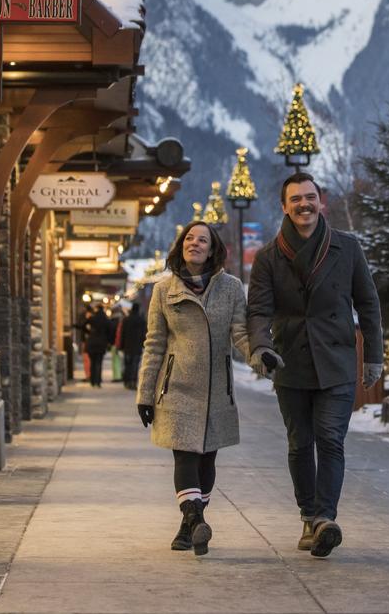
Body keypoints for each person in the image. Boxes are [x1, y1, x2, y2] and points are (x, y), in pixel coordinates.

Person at [247, 172, 383, 558]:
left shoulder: (347, 248)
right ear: (284, 206)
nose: (304, 205)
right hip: (290, 362)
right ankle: (309, 515)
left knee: (330, 439)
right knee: (299, 443)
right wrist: (261, 348)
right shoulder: (268, 257)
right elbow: (258, 311)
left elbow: (368, 304)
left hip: (337, 361)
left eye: (311, 198)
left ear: (321, 201)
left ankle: (324, 518)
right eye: (296, 200)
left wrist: (373, 355)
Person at [136, 221, 250, 556]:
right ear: (180, 245)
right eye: (189, 238)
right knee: (184, 455)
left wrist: (261, 356)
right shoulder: (164, 290)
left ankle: (190, 528)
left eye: (203, 239)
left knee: (206, 460)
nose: (195, 243)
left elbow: (241, 334)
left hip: (217, 389)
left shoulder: (230, 288)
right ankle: (194, 517)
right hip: (177, 388)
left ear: (213, 249)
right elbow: (154, 344)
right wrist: (145, 394)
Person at [118, 302, 147, 389]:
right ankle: (133, 382)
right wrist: (143, 344)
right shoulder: (141, 321)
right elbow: (144, 334)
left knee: (127, 365)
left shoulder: (126, 320)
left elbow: (122, 333)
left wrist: (121, 345)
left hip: (127, 347)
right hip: (137, 347)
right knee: (135, 366)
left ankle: (126, 382)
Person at [86, 304, 112, 387]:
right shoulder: (106, 319)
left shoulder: (92, 318)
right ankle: (98, 381)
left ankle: (92, 381)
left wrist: (88, 333)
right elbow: (110, 331)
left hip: (92, 343)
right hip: (101, 343)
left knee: (92, 362)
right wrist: (108, 341)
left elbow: (83, 326)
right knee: (99, 363)